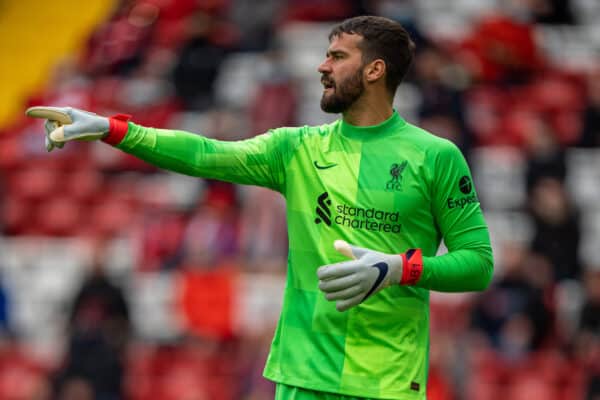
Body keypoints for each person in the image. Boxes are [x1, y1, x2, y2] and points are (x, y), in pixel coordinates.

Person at [27, 15, 493, 400]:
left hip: (387, 380)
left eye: (337, 56)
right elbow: (205, 154)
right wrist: (113, 129)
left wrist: (397, 268)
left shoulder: (435, 157)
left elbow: (477, 265)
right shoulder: (298, 148)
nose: (322, 66)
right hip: (303, 375)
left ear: (374, 70)